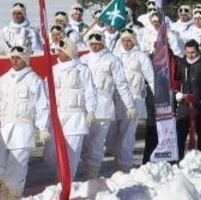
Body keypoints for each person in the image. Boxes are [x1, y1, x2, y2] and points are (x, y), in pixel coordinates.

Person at [0, 45, 49, 200]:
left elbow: (42, 105)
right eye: (12, 57)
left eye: (18, 58)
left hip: (23, 127)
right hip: (4, 126)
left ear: (25, 59)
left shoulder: (35, 80)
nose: (15, 60)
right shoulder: (4, 79)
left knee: (18, 164)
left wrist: (43, 128)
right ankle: (4, 181)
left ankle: (15, 194)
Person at [81, 31, 136, 178]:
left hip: (104, 103)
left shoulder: (112, 60)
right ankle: (87, 172)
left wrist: (129, 105)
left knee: (97, 142)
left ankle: (93, 176)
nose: (94, 47)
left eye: (97, 44)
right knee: (86, 142)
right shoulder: (84, 59)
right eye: (91, 44)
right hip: (85, 105)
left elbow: (121, 84)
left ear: (103, 43)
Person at [45, 38, 99, 180]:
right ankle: (61, 176)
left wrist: (91, 110)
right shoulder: (53, 70)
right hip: (57, 117)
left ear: (69, 53)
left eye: (61, 51)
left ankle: (65, 186)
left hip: (76, 118)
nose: (58, 53)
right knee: (50, 154)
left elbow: (90, 91)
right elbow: (45, 93)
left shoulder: (82, 70)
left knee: (71, 155)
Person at [112, 29, 155, 168]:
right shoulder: (115, 55)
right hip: (116, 99)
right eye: (123, 40)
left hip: (135, 98)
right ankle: (119, 161)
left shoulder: (141, 56)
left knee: (127, 135)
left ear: (134, 41)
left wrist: (159, 98)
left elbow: (151, 78)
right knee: (113, 135)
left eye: (129, 40)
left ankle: (125, 165)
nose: (126, 43)